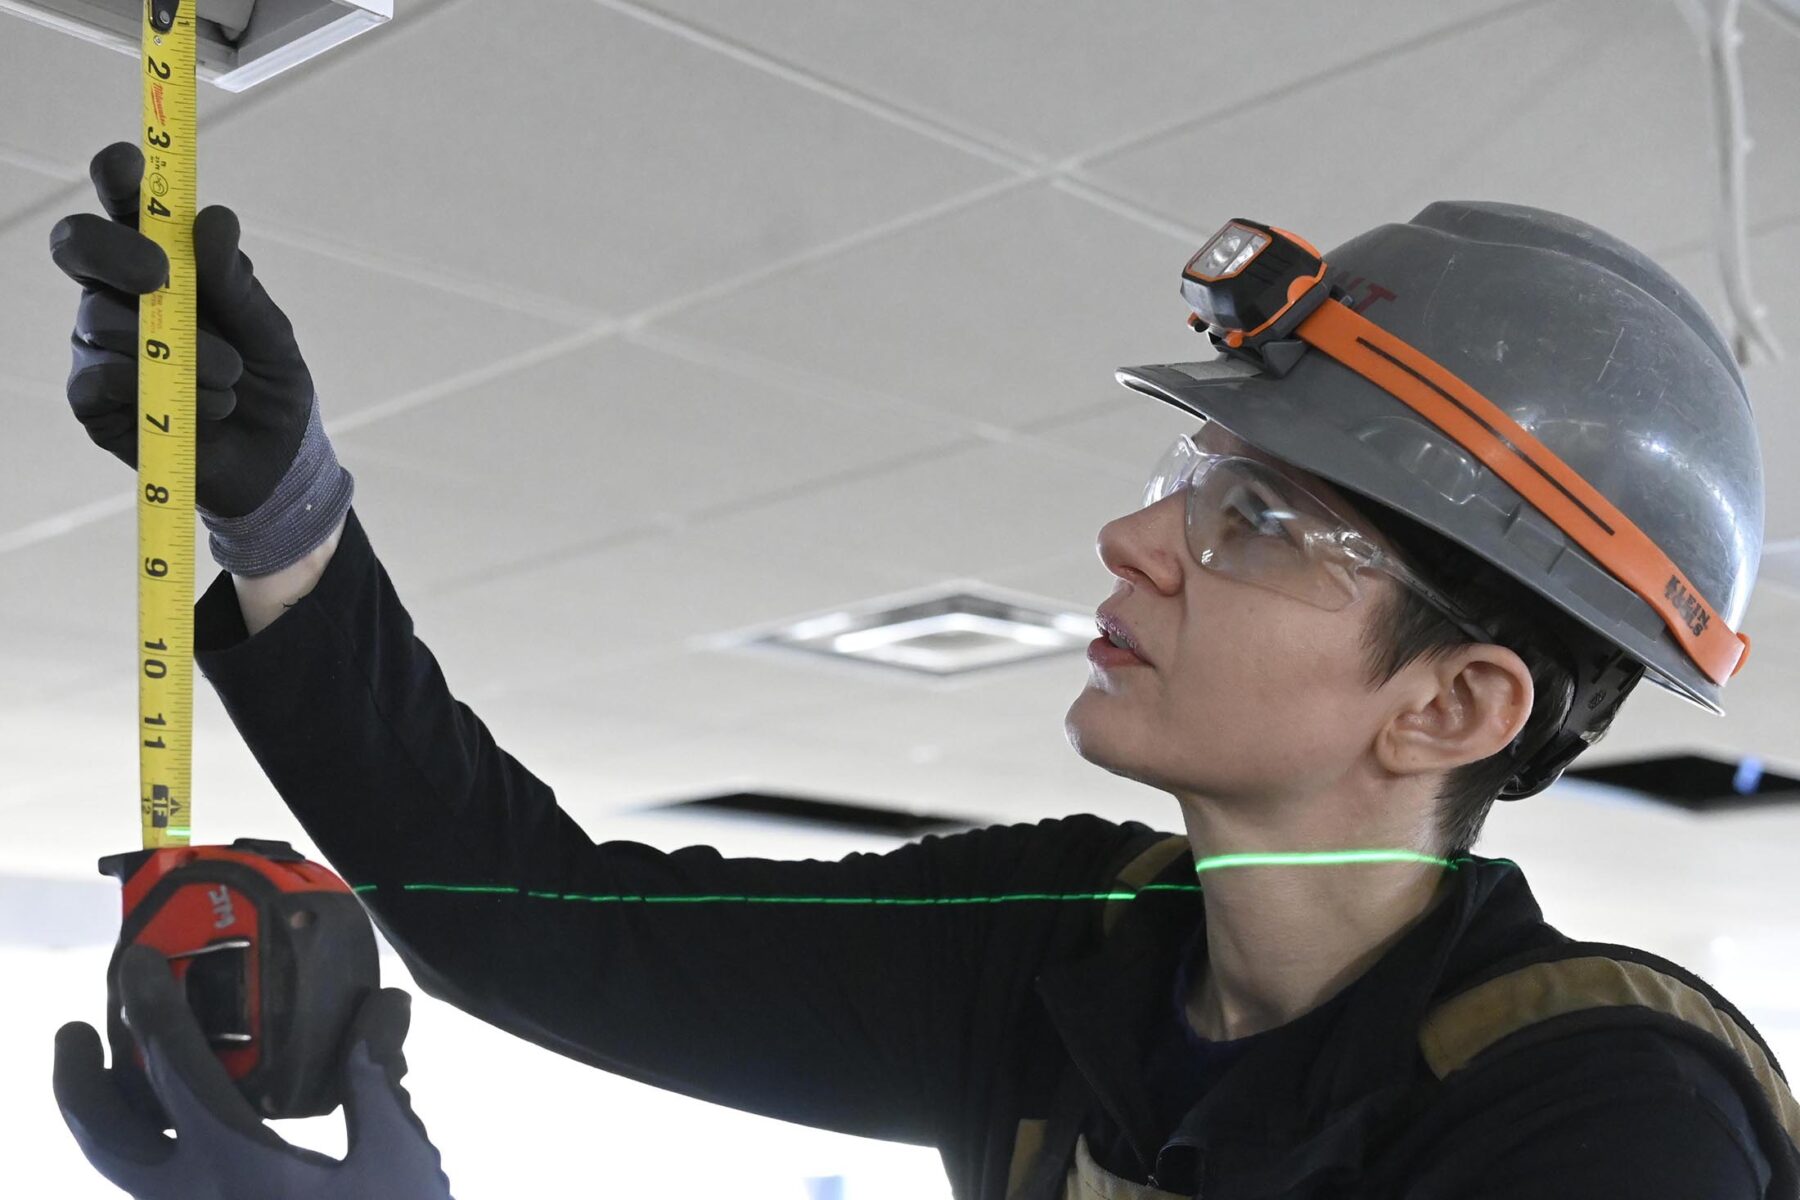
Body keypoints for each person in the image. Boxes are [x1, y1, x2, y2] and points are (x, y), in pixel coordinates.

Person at [45, 140, 1794, 1199]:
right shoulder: (1058, 950)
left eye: (1261, 521)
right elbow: (546, 921)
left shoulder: (1604, 1120)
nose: (1139, 541)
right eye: (1196, 481)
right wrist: (283, 517)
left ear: (1456, 704)